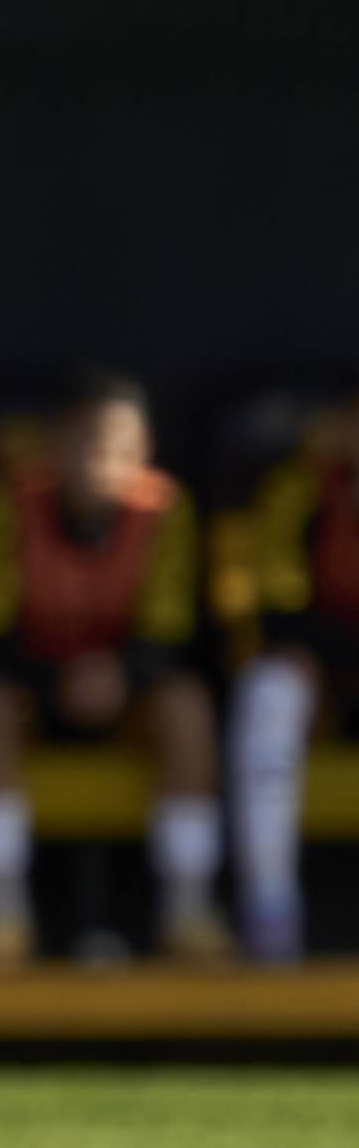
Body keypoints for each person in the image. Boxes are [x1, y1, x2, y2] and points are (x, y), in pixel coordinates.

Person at [0, 375, 220, 964]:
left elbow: (173, 628)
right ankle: (0, 911)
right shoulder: (4, 506)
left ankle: (189, 906)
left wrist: (120, 675)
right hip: (34, 692)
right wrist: (58, 680)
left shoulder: (165, 511)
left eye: (119, 449)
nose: (100, 463)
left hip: (128, 697)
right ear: (54, 447)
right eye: (85, 444)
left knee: (187, 705)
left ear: (144, 451)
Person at [217, 397, 359, 961]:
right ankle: (270, 908)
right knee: (270, 688)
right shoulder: (296, 491)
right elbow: (277, 608)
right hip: (322, 679)